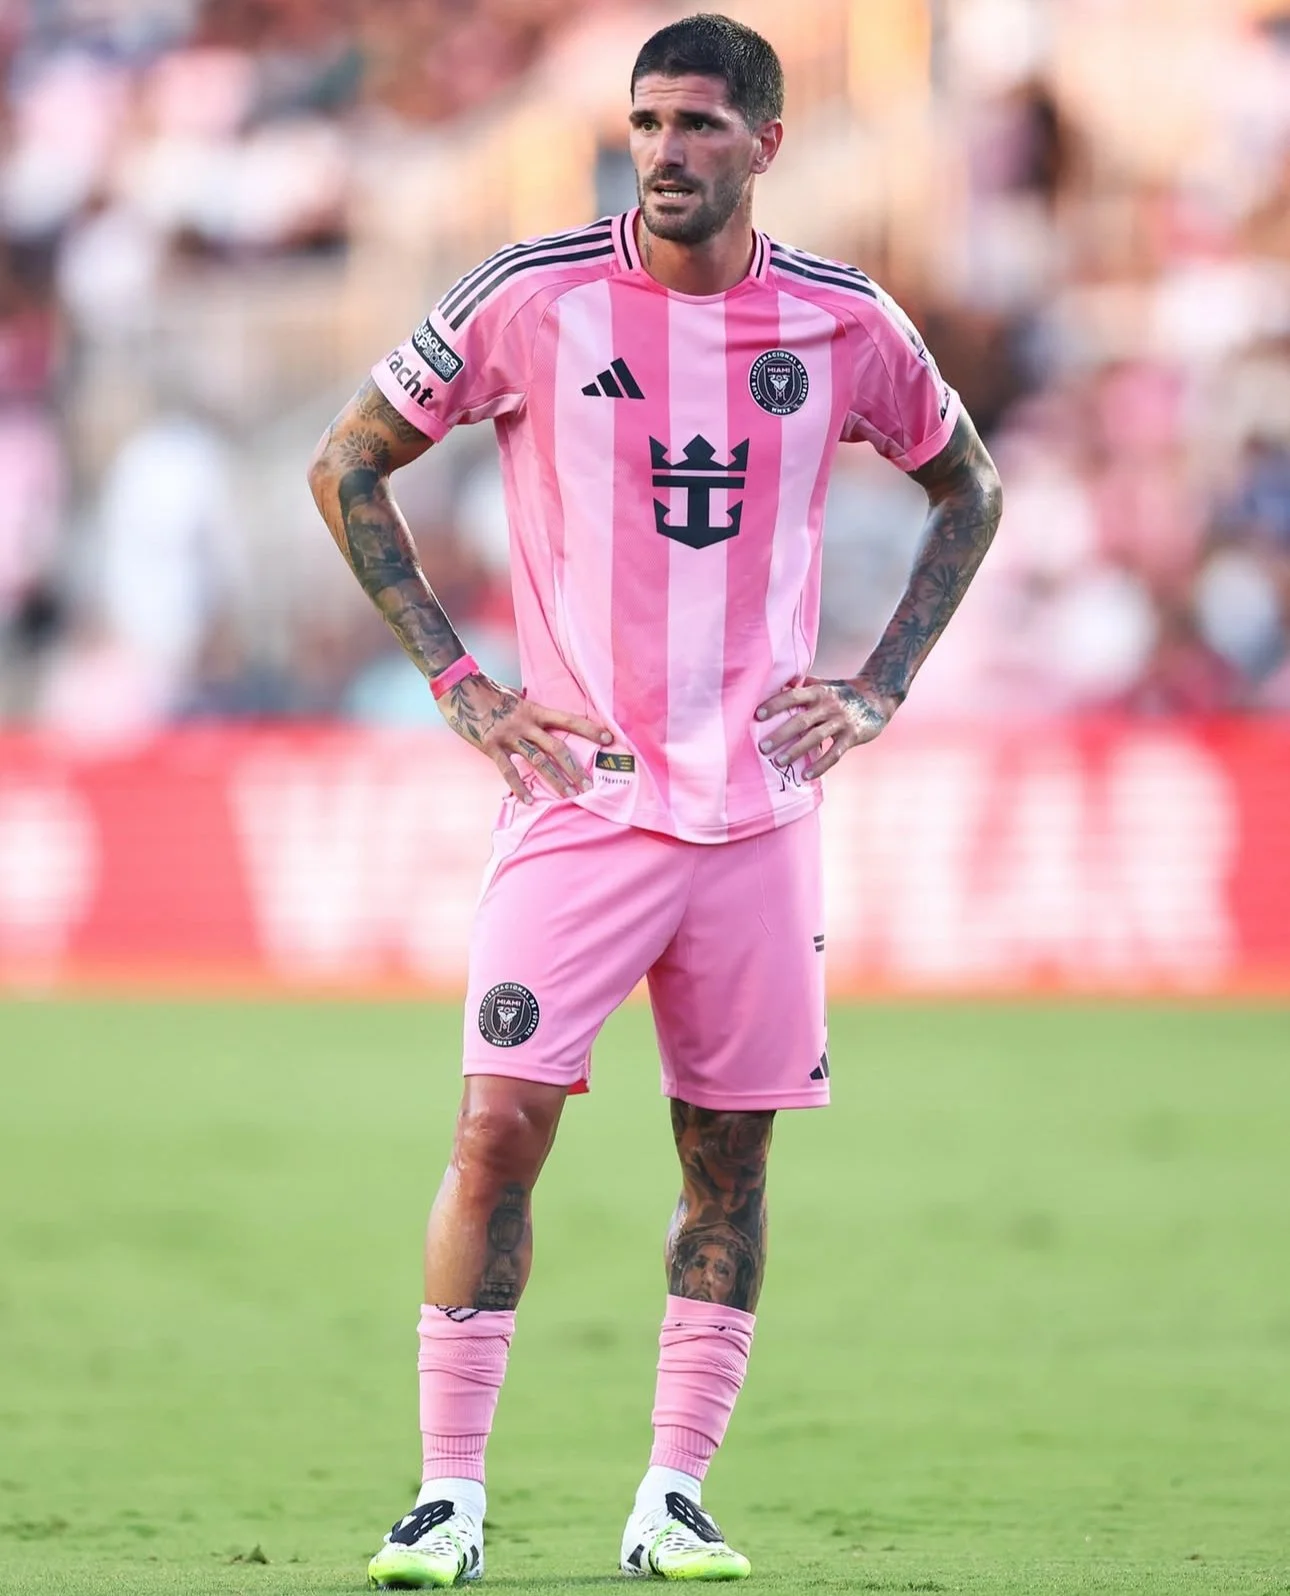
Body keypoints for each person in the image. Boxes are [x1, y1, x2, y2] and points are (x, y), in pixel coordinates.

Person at [307, 14, 1002, 1588]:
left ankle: (671, 1499)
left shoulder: (843, 321)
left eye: (698, 125)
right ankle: (446, 1499)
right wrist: (462, 685)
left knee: (727, 1168)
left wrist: (879, 684)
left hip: (757, 810)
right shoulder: (532, 295)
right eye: (645, 123)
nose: (667, 152)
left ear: (765, 141)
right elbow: (346, 464)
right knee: (496, 1129)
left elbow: (971, 485)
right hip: (580, 797)